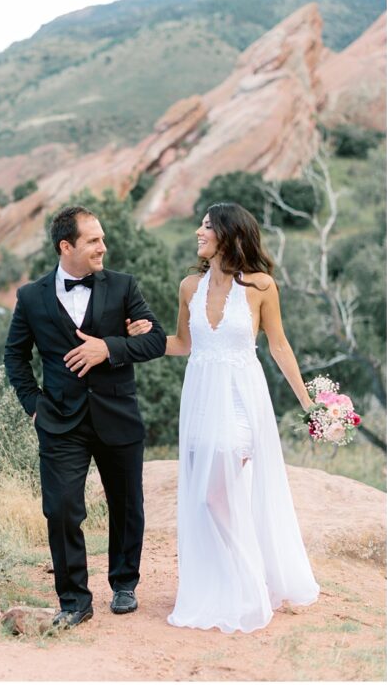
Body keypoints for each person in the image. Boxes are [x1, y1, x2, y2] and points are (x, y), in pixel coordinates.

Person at [127, 201, 319, 632]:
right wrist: (143, 337)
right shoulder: (189, 287)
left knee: (216, 495)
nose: (199, 231)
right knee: (209, 496)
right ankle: (229, 581)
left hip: (240, 399)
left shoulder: (261, 287)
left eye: (208, 226)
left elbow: (279, 346)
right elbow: (181, 343)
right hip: (198, 398)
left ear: (229, 236)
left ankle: (251, 581)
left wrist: (310, 404)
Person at [4, 205, 167, 628]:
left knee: (127, 505)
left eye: (102, 239)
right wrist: (33, 405)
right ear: (66, 245)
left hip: (118, 414)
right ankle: (74, 599)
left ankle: (124, 584)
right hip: (59, 420)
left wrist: (109, 348)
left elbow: (155, 342)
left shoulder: (123, 286)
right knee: (60, 509)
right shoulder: (31, 296)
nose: (103, 247)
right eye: (93, 240)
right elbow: (15, 356)